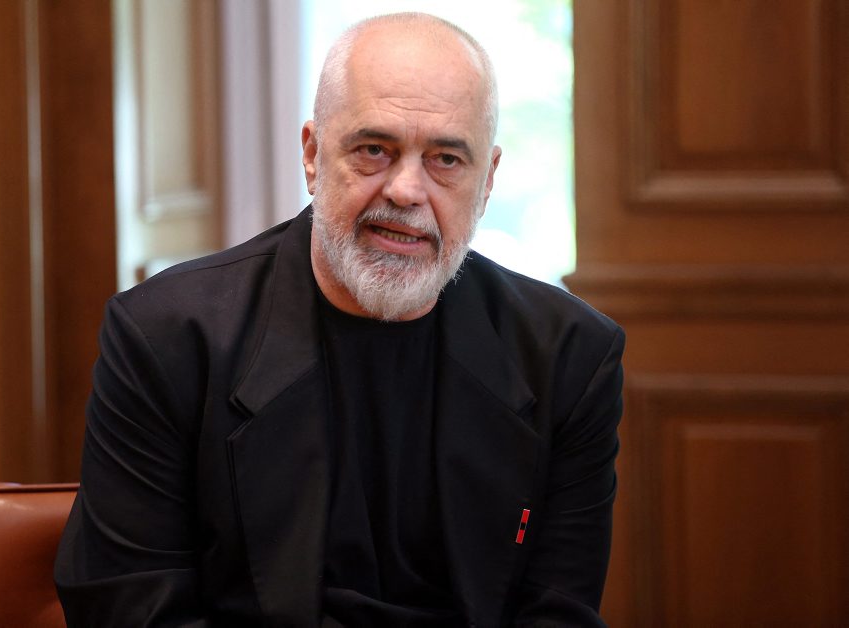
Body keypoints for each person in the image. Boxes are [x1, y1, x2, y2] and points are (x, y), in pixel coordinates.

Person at [55, 12, 624, 627]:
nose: (406, 191)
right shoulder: (165, 337)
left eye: (445, 159)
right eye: (374, 150)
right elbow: (131, 608)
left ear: (486, 182)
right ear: (312, 155)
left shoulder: (569, 357)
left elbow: (558, 613)